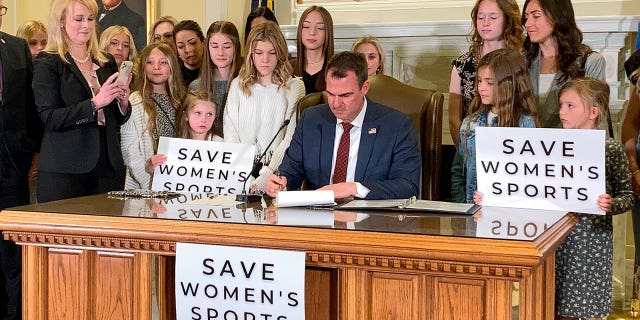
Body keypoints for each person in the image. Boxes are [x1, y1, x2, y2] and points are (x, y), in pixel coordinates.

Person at [265, 51, 421, 200]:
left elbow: (407, 185)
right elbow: (291, 171)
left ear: (364, 88)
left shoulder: (396, 126)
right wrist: (281, 183)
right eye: (330, 94)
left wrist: (354, 188)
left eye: (345, 95)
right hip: (318, 218)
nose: (335, 103)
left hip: (369, 220)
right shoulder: (311, 119)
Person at [33, 0, 131, 202]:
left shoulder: (105, 61)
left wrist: (122, 103)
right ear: (61, 22)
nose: (86, 25)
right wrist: (95, 103)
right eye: (78, 19)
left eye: (90, 18)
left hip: (108, 167)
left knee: (107, 232)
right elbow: (50, 118)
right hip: (65, 171)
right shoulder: (47, 62)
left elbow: (115, 118)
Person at [554, 78, 633, 319]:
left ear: (593, 112)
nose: (561, 112)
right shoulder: (552, 146)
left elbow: (627, 196)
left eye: (570, 106)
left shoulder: (610, 149)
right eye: (561, 105)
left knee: (587, 305)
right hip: (556, 238)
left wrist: (610, 204)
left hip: (592, 242)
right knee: (553, 303)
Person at [223, 21, 305, 193]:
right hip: (239, 174)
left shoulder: (294, 86)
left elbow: (289, 140)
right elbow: (230, 133)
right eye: (258, 53)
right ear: (250, 55)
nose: (265, 60)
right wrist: (244, 176)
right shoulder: (238, 85)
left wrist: (265, 177)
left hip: (277, 175)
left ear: (281, 53)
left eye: (272, 53)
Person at [0, 1, 43, 318]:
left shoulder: (16, 48)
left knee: (13, 252)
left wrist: (34, 150)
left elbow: (30, 106)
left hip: (13, 162)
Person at [458, 49, 538, 203]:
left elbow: (528, 180)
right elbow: (459, 170)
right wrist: (461, 206)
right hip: (471, 210)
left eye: (489, 82)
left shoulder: (525, 125)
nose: (481, 88)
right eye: (479, 80)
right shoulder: (470, 123)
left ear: (508, 84)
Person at [522, 0, 606, 130]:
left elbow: (597, 121)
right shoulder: (522, 61)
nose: (528, 24)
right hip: (527, 145)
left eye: (536, 16)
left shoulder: (590, 62)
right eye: (526, 17)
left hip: (573, 146)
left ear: (557, 17)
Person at [448, 0, 523, 146]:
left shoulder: (523, 60)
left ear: (508, 20)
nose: (485, 23)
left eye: (493, 17)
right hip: (472, 144)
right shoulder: (462, 65)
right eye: (480, 17)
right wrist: (466, 154)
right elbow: (453, 119)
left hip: (516, 146)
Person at [120, 42, 186, 190]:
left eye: (163, 62)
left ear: (172, 66)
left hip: (179, 181)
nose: (156, 67)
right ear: (143, 66)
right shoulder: (135, 100)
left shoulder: (182, 99)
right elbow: (129, 148)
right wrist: (148, 177)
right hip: (145, 183)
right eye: (150, 62)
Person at [145, 90, 222, 174]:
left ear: (215, 117)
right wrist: (151, 165)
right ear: (186, 116)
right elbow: (161, 174)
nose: (203, 120)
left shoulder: (222, 145)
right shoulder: (172, 146)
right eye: (198, 113)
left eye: (209, 114)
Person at [190, 21, 242, 137]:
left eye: (227, 46)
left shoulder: (245, 84)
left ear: (236, 48)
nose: (220, 52)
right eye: (214, 46)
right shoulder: (196, 86)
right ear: (207, 47)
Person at [291, 6, 334, 95]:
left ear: (328, 33)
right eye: (306, 26)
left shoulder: (338, 69)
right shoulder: (288, 68)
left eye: (320, 28)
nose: (312, 32)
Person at [173, 20, 204, 87]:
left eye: (193, 43)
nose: (188, 50)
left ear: (203, 42)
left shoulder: (216, 72)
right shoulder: (172, 77)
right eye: (181, 46)